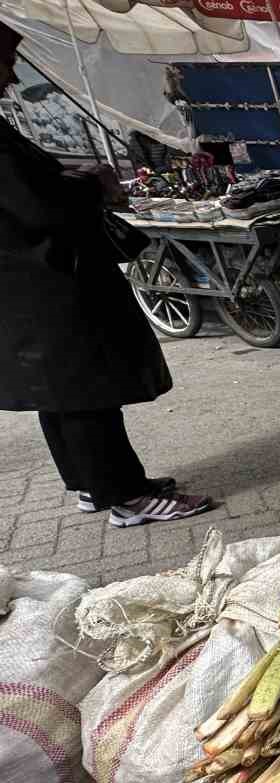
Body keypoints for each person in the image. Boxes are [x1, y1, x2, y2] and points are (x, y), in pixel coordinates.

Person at [0, 22, 211, 527]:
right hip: (42, 283)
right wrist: (90, 185)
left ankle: (95, 486)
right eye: (3, 63)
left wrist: (69, 180)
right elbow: (38, 207)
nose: (10, 76)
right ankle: (126, 499)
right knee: (83, 391)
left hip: (32, 283)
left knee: (62, 393)